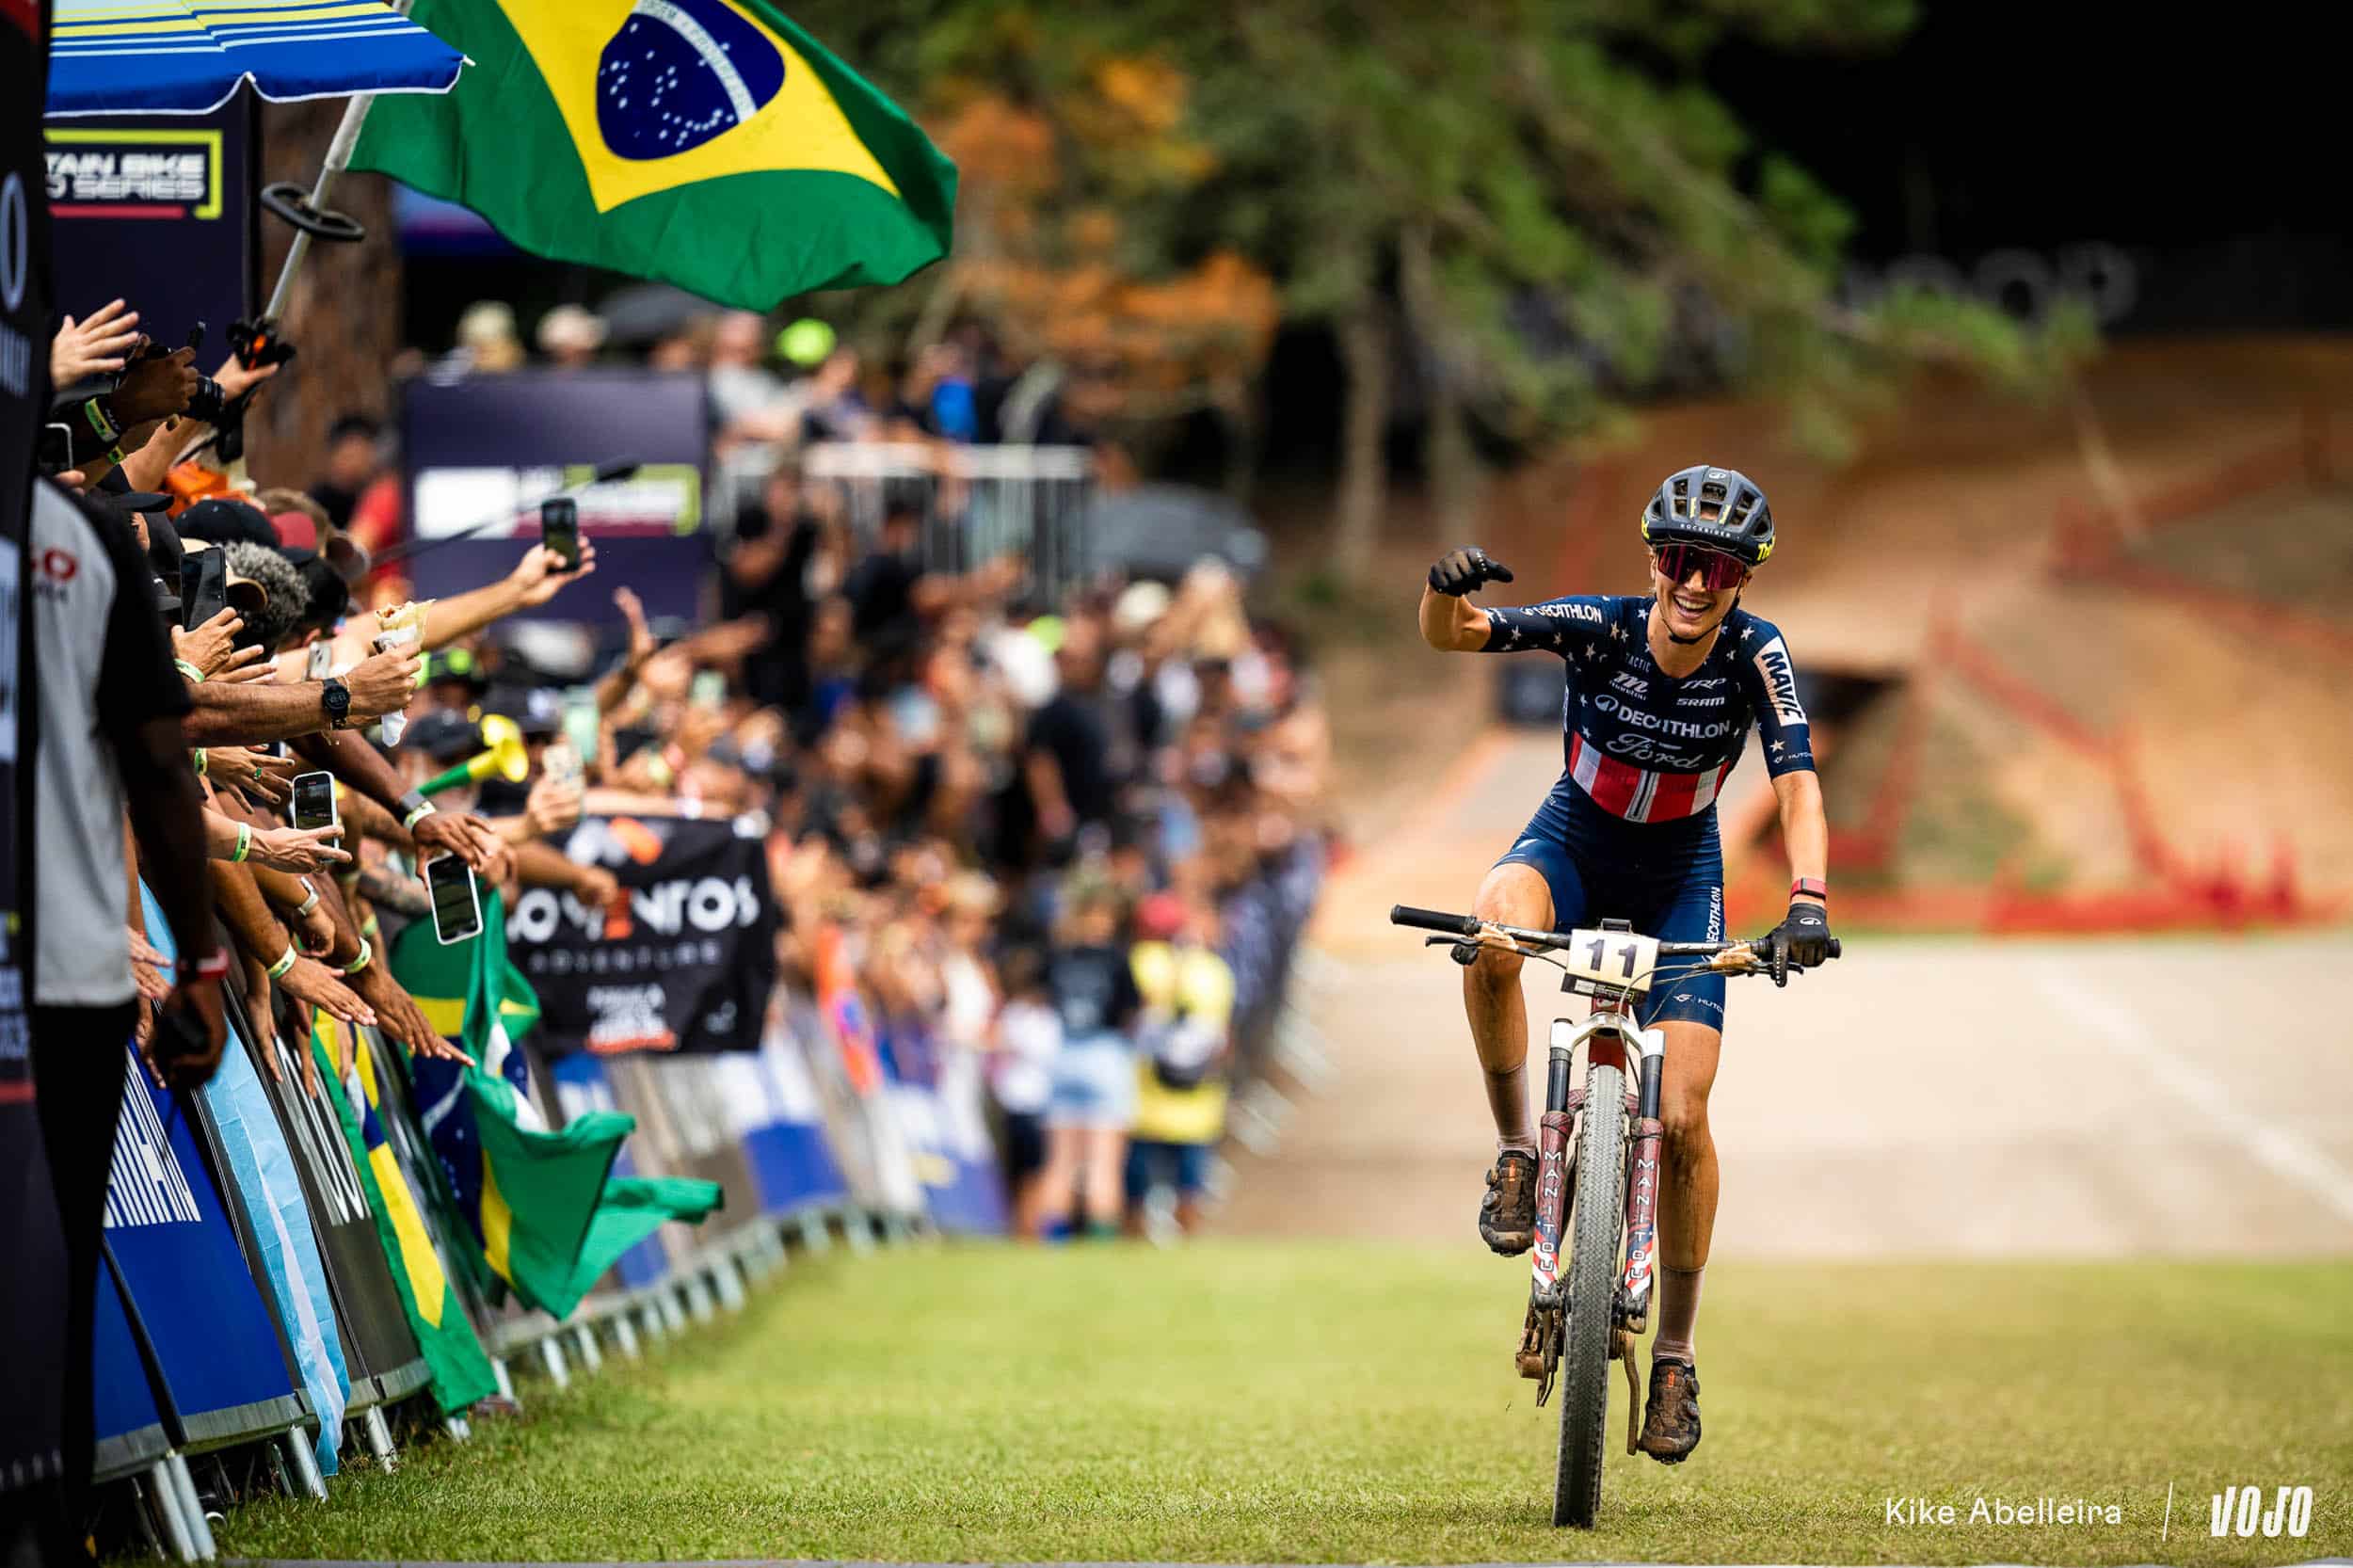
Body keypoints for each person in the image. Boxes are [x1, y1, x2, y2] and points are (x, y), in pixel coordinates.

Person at [1416, 464, 1834, 1464]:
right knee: (1492, 936)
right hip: (1573, 840)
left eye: (1718, 568)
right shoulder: (1598, 625)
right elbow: (1458, 634)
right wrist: (1439, 590)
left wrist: (1809, 901)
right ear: (1654, 560)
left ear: (1743, 581)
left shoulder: (1756, 652)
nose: (1695, 582)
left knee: (1682, 1116)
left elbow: (1797, 785)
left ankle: (1677, 1357)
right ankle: (1517, 1153)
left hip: (1682, 873)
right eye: (1681, 558)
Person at [25, 479, 227, 1556]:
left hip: (73, 967)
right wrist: (201, 958)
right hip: (62, 968)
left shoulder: (96, 529)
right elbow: (159, 759)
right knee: (50, 1263)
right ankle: (48, 1523)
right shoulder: (86, 534)